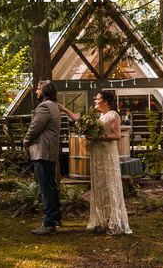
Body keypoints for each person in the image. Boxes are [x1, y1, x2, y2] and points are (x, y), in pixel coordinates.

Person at [59, 90, 132, 235]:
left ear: (105, 101)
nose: (95, 100)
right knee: (101, 186)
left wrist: (97, 136)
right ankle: (103, 221)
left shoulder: (113, 115)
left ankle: (115, 222)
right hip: (97, 155)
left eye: (97, 99)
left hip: (107, 156)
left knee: (110, 185)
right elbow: (79, 120)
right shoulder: (100, 116)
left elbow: (117, 135)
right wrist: (65, 110)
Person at [23, 80, 61, 235]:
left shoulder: (44, 106)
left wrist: (25, 140)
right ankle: (55, 218)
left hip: (42, 151)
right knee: (51, 187)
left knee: (46, 188)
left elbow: (35, 128)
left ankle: (49, 224)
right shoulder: (54, 106)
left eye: (38, 89)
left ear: (45, 91)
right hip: (49, 152)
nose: (36, 91)